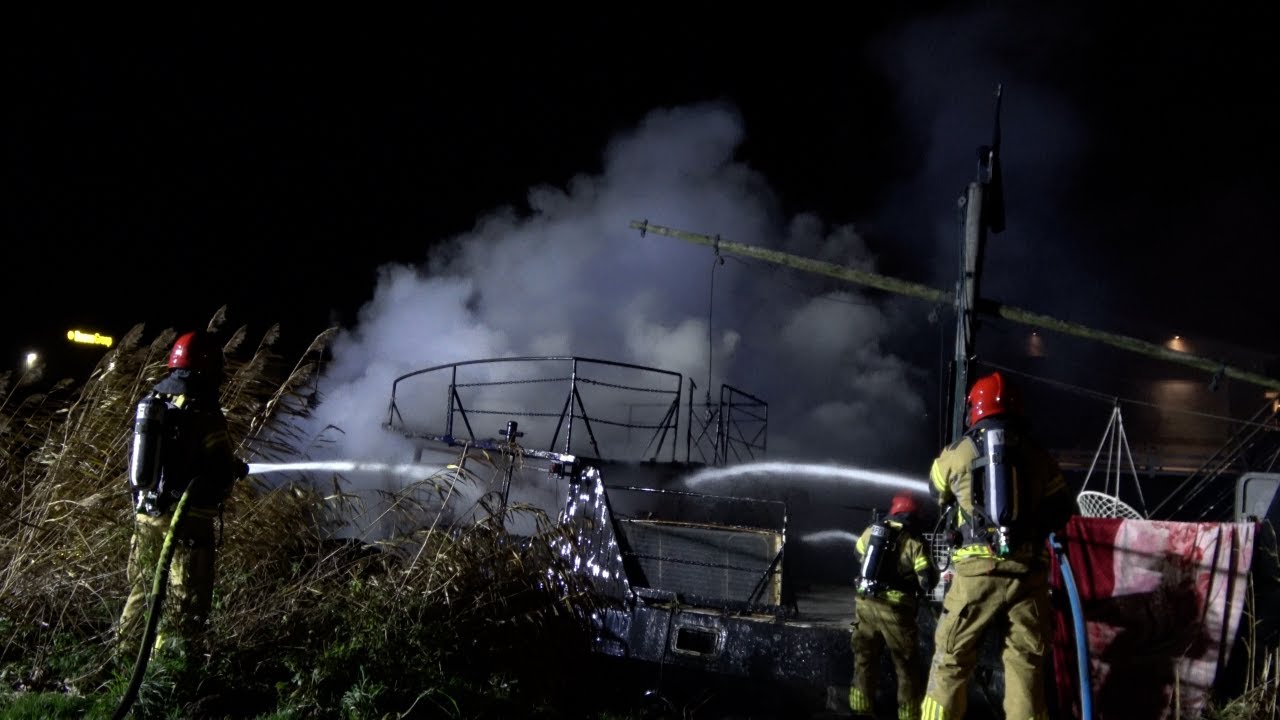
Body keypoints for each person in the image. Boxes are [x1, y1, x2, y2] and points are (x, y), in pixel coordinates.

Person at [920, 371, 1076, 720]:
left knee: (951, 663)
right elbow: (1063, 508)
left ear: (974, 409)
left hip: (976, 576)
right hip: (1028, 579)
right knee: (1026, 669)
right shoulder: (1039, 455)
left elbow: (934, 489)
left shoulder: (957, 452)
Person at [117, 330, 249, 661]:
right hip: (186, 522)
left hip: (146, 514)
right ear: (209, 369)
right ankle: (170, 667)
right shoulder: (203, 410)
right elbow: (217, 469)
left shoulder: (155, 401)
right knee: (186, 596)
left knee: (143, 590)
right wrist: (233, 469)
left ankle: (123, 657)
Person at [849, 492, 939, 719]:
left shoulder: (873, 530)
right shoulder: (914, 541)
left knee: (864, 660)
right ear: (914, 514)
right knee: (906, 667)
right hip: (896, 612)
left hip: (865, 605)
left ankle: (860, 711)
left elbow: (858, 553)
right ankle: (909, 715)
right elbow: (927, 579)